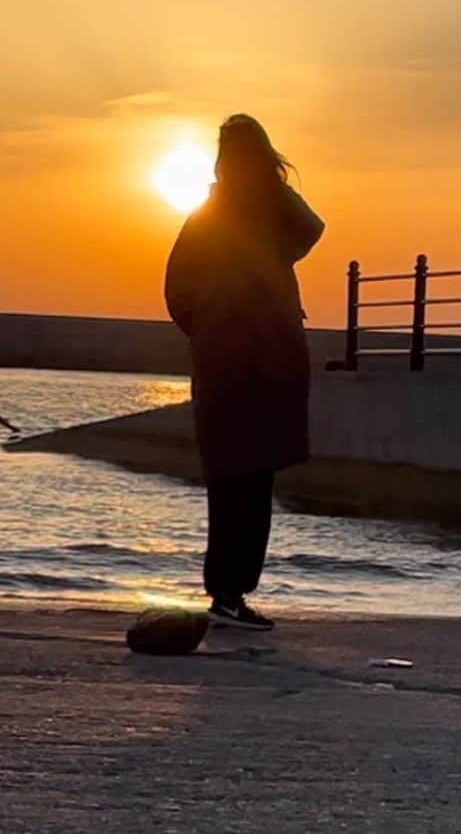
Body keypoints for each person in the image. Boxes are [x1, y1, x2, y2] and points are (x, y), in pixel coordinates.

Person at [164, 114, 324, 630]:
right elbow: (310, 228)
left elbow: (176, 293)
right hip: (260, 355)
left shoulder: (209, 218)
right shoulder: (261, 221)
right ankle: (230, 591)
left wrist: (207, 328)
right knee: (251, 477)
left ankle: (228, 592)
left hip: (235, 357)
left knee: (233, 474)